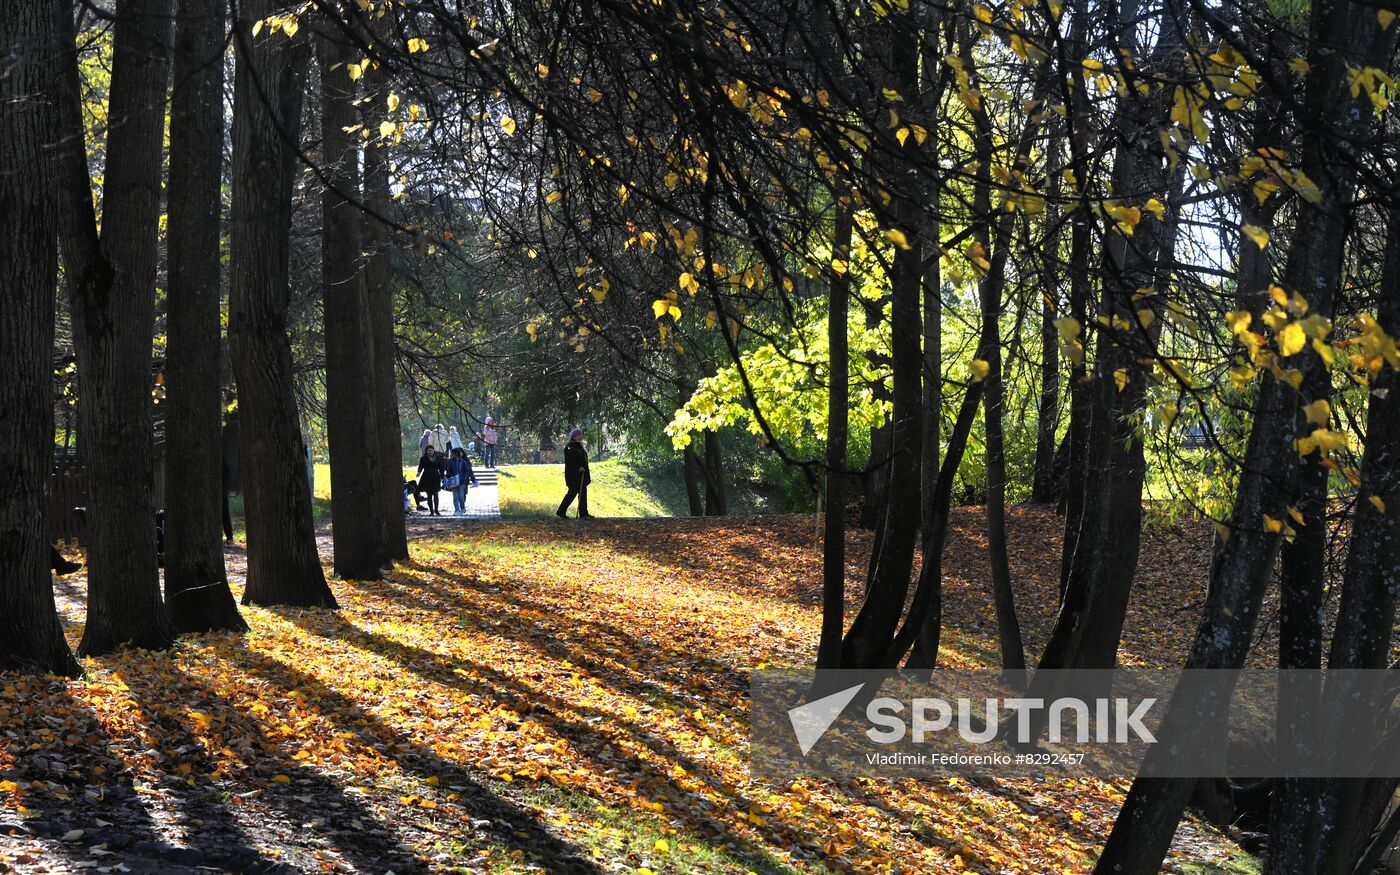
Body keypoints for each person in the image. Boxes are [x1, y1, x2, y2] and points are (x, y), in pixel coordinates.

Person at [556, 428, 593, 519]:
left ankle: (584, 513)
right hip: (574, 475)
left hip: (582, 475)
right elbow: (570, 461)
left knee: (583, 493)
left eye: (581, 435)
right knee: (572, 493)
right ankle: (561, 511)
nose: (581, 436)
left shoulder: (579, 446)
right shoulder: (570, 447)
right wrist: (578, 467)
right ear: (574, 436)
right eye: (578, 435)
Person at [444, 447, 477, 516]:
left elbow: (466, 471)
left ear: (456, 454)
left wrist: (464, 479)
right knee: (455, 496)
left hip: (462, 482)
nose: (451, 456)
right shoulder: (450, 461)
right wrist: (450, 477)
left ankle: (462, 507)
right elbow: (448, 470)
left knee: (461, 496)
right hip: (453, 481)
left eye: (452, 454)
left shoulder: (463, 461)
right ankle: (457, 510)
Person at [416, 446, 446, 516]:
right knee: (429, 494)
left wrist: (443, 475)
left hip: (435, 476)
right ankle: (431, 511)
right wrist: (419, 472)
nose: (430, 452)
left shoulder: (438, 458)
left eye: (431, 450)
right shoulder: (423, 458)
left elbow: (441, 468)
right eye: (429, 451)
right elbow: (420, 467)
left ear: (433, 451)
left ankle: (436, 510)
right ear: (426, 451)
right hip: (427, 477)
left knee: (436, 494)